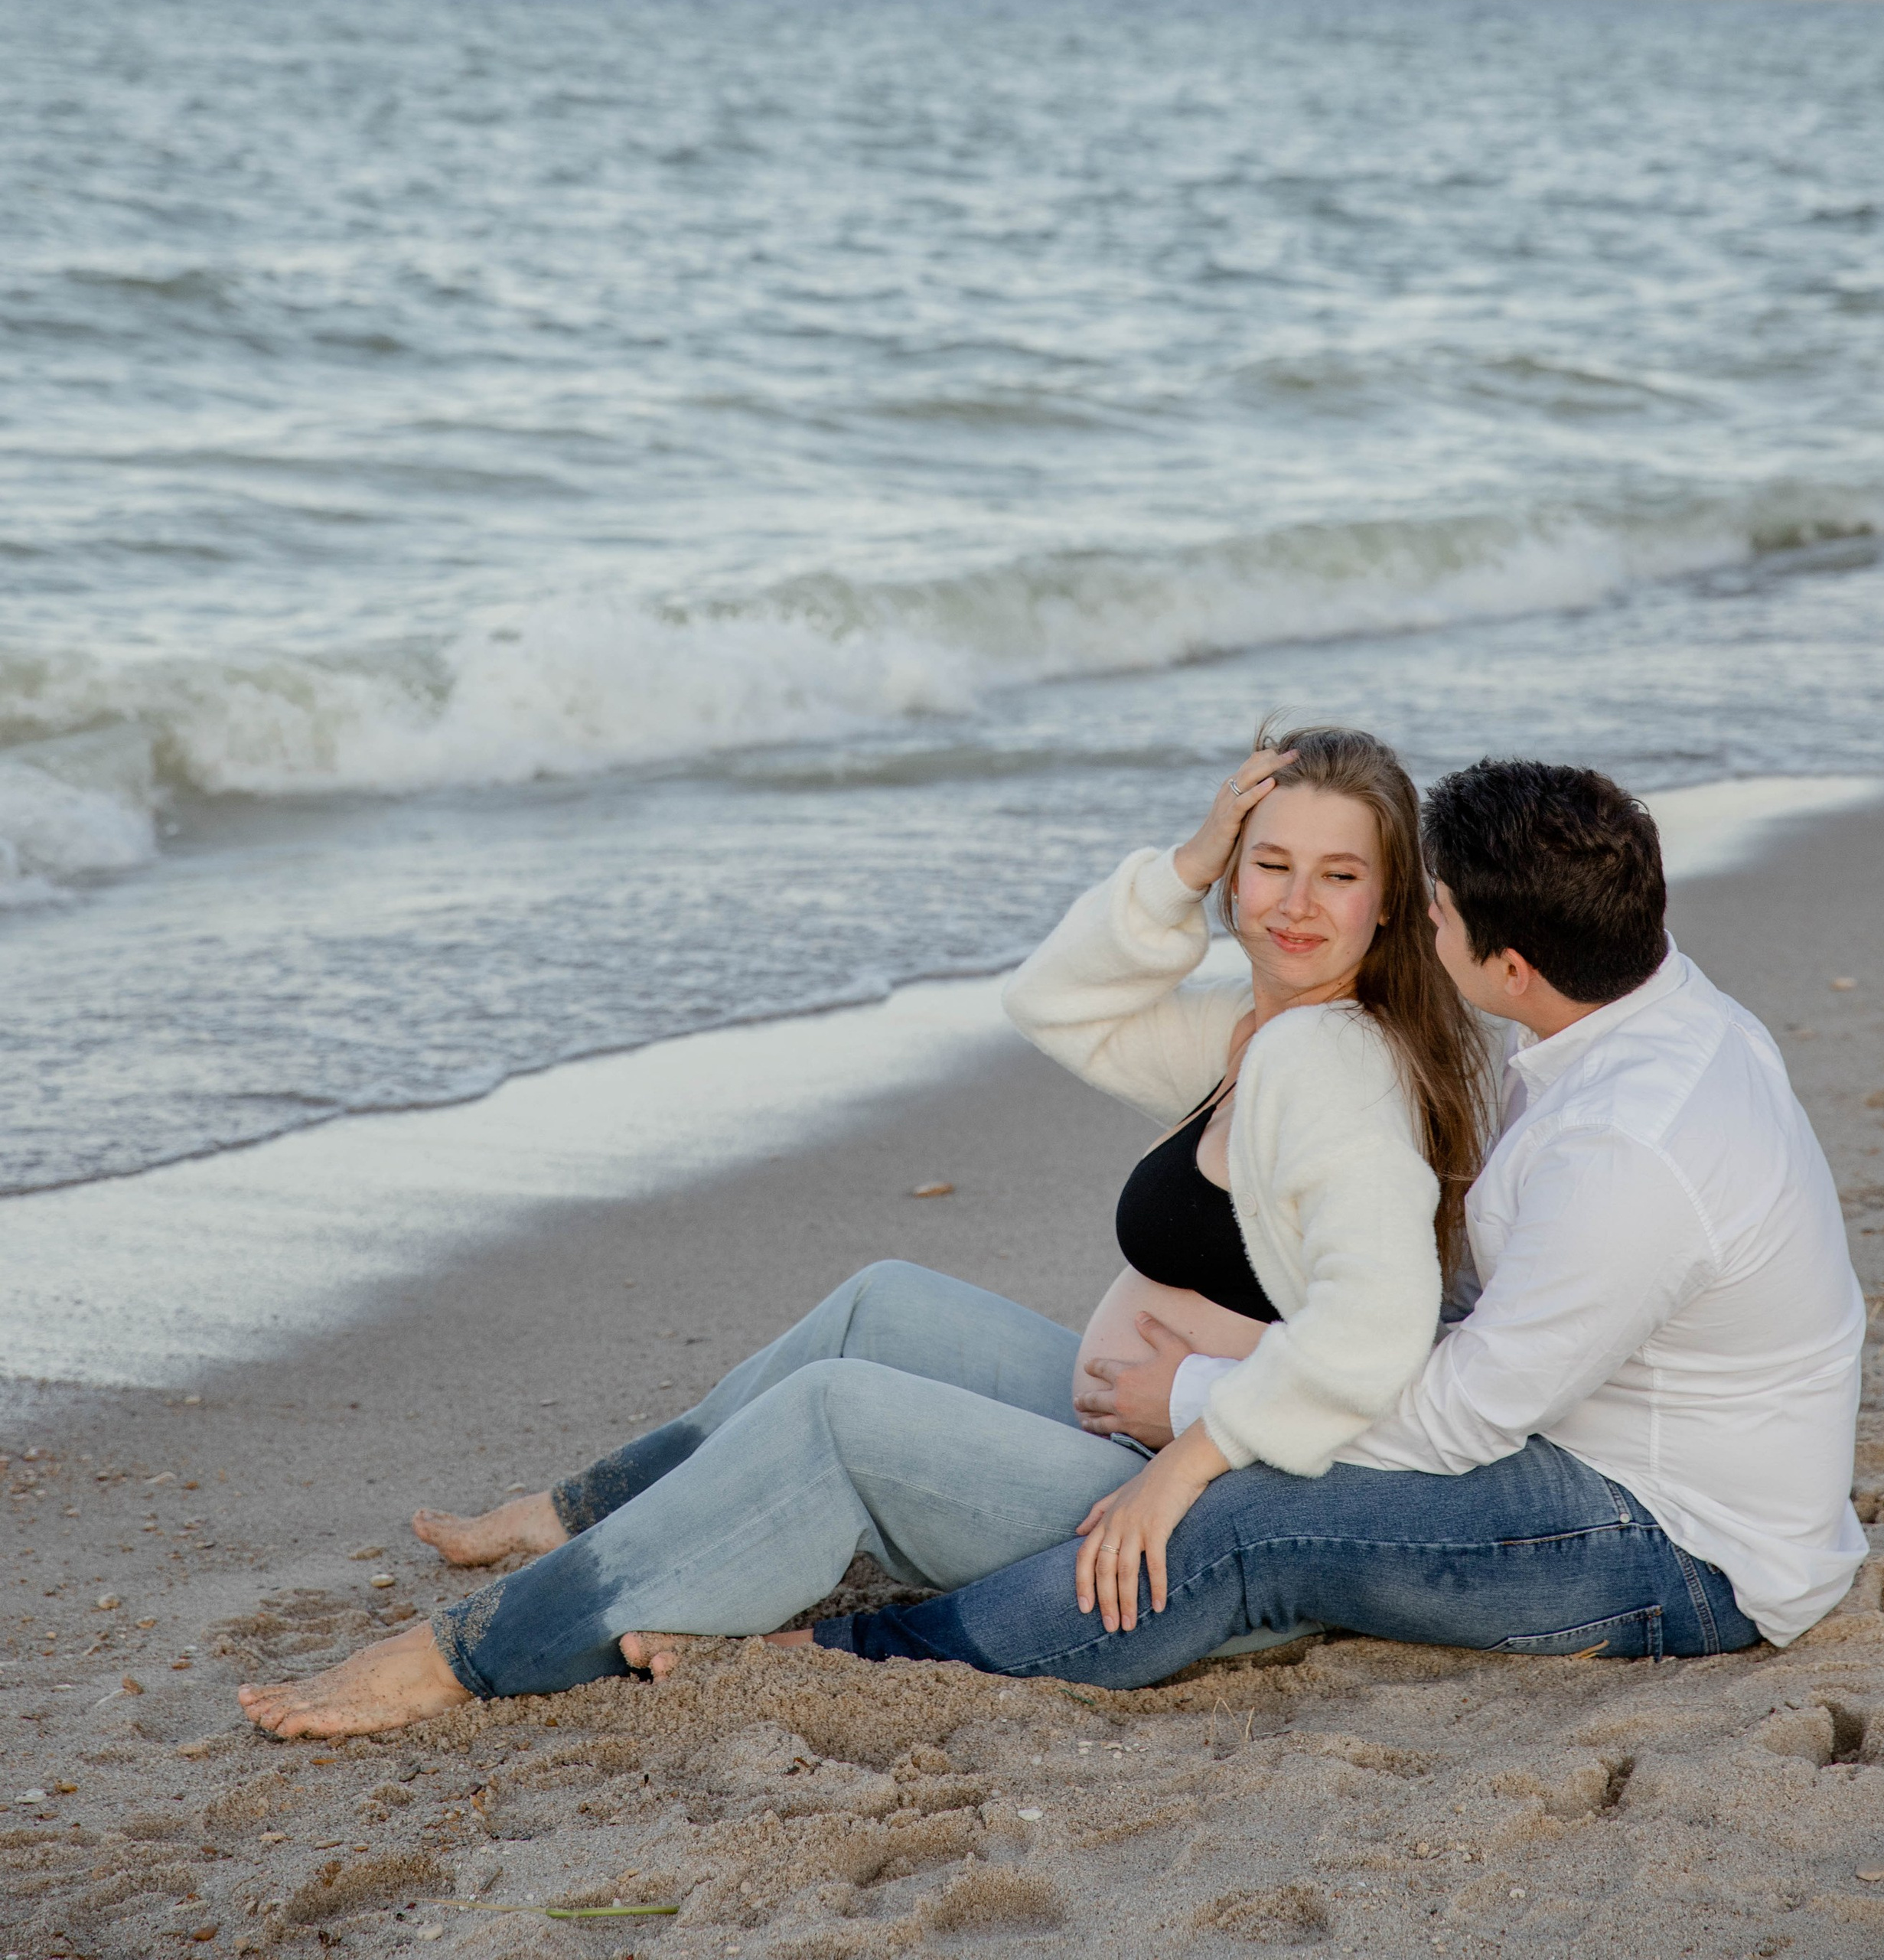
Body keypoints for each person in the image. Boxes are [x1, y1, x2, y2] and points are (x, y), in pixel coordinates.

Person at [238, 724, 1490, 1739]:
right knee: (883, 1298)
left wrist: (1188, 1452)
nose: (1297, 905)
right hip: (1143, 1441)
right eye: (1270, 865)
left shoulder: (1332, 1067)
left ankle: (471, 1657)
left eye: (1340, 876)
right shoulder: (1259, 1031)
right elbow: (1054, 1002)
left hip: (1187, 1522)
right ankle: (581, 1508)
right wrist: (1180, 863)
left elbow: (1378, 1331)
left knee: (836, 1415)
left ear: (1389, 905)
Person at [807, 760, 1868, 1681]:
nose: (1420, 919)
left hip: (1677, 1542)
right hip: (1602, 1420)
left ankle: (878, 1656)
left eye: (1439, 909)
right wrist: (1292, 1359)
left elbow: (1466, 1418)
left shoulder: (1626, 1152)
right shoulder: (1644, 1005)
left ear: (1511, 967)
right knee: (1286, 1421)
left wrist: (1197, 1409)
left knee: (1255, 1522)